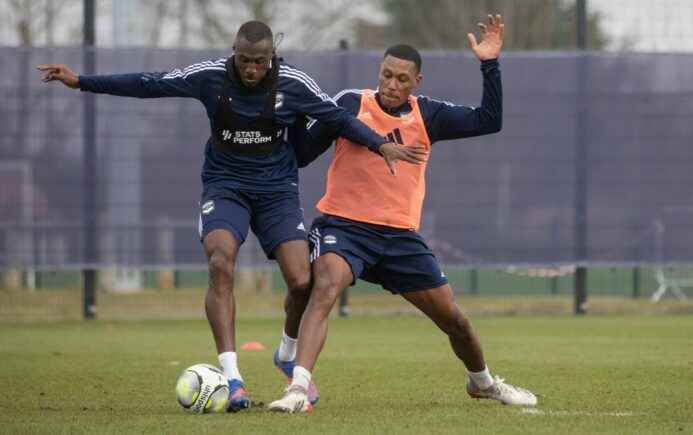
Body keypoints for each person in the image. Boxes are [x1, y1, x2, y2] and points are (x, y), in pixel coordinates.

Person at [38, 20, 423, 412]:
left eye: (259, 61)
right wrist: (81, 81)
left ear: (271, 56)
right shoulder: (210, 77)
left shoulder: (294, 83)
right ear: (234, 53)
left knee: (302, 280)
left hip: (277, 192)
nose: (251, 69)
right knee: (221, 261)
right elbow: (149, 83)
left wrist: (381, 146)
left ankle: (288, 354)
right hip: (226, 186)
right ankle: (232, 377)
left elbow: (338, 119)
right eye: (243, 60)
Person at [268, 15, 537, 414]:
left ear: (417, 83)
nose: (392, 85)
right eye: (386, 75)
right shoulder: (350, 104)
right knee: (324, 286)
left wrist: (489, 63)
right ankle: (298, 386)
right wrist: (288, 115)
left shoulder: (427, 115)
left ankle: (483, 383)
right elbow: (304, 155)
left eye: (402, 79)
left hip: (399, 238)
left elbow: (488, 120)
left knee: (455, 321)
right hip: (344, 226)